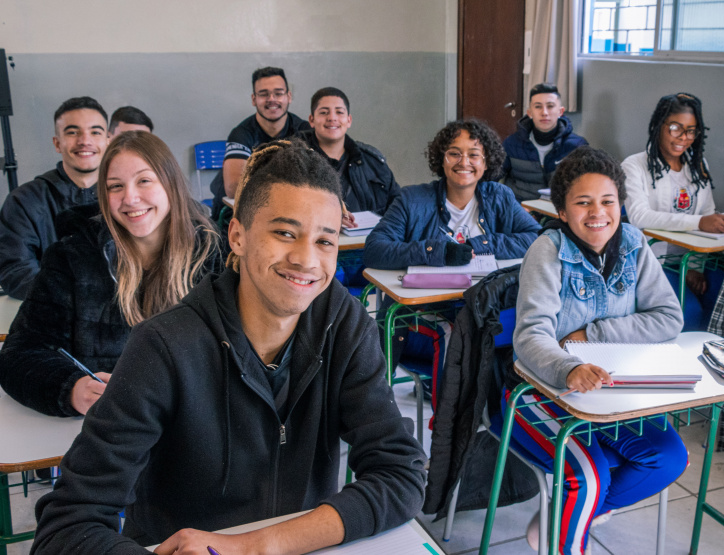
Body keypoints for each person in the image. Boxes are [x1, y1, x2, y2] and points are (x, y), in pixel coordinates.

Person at [30, 138, 427, 554]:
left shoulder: (343, 324)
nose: (307, 259)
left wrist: (254, 546)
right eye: (284, 233)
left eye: (325, 241)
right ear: (237, 235)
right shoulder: (163, 347)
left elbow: (400, 473)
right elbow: (66, 527)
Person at [508, 146, 687, 555]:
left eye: (608, 201)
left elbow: (668, 317)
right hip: (543, 391)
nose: (597, 213)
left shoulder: (635, 243)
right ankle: (569, 535)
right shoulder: (548, 251)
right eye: (583, 202)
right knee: (588, 476)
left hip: (611, 393)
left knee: (669, 458)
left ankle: (567, 516)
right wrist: (569, 367)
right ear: (562, 211)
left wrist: (593, 334)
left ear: (620, 205)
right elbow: (531, 335)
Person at [0, 131, 223, 417]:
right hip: (103, 427)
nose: (130, 198)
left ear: (171, 184)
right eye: (115, 186)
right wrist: (71, 389)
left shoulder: (211, 253)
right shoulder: (71, 257)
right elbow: (18, 354)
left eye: (144, 181)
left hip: (190, 420)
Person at [621, 92, 724, 330]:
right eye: (675, 128)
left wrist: (695, 266)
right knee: (689, 313)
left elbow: (708, 211)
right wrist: (699, 222)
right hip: (653, 262)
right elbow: (640, 217)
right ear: (659, 126)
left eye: (691, 131)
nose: (683, 137)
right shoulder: (634, 166)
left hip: (691, 260)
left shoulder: (698, 166)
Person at [365, 119, 539, 269]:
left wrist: (481, 245)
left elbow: (537, 238)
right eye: (454, 154)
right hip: (430, 297)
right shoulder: (411, 200)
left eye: (474, 155)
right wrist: (439, 252)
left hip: (485, 295)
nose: (463, 162)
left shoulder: (500, 196)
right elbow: (374, 250)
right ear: (442, 160)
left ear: (486, 163)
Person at [0, 96, 108, 299]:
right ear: (57, 143)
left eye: (95, 132)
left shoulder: (126, 199)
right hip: (52, 313)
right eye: (73, 132)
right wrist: (76, 299)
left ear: (108, 141)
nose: (85, 141)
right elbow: (16, 271)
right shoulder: (24, 201)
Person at [209, 67, 311, 206]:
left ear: (289, 97)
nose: (271, 99)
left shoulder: (304, 130)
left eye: (278, 93)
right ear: (254, 99)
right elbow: (234, 188)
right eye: (263, 94)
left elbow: (317, 177)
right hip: (234, 209)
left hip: (288, 204)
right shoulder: (241, 134)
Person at [299, 87, 401, 219]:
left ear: (349, 120)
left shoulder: (373, 162)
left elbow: (398, 207)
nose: (332, 118)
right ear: (311, 120)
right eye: (324, 112)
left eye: (339, 112)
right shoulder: (294, 160)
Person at [501, 83, 588, 202]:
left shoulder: (577, 146)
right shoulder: (511, 143)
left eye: (550, 106)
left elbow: (586, 188)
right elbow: (491, 177)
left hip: (558, 210)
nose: (544, 112)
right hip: (519, 207)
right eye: (538, 107)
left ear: (560, 111)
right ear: (530, 113)